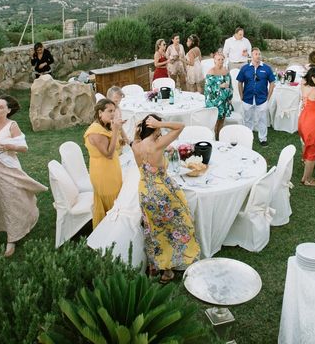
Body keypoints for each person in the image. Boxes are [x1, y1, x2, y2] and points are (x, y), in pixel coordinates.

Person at [0, 95, 47, 257]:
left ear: (8, 110)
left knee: (10, 201)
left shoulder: (12, 125)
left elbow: (23, 147)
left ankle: (12, 238)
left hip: (7, 170)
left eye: (1, 107)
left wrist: (6, 145)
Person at [132, 114, 200, 283]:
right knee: (177, 225)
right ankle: (173, 265)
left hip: (145, 192)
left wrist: (138, 132)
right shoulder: (157, 144)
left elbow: (137, 146)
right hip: (161, 190)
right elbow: (181, 125)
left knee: (154, 231)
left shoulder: (136, 145)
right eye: (159, 127)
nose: (161, 130)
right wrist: (160, 123)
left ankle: (161, 268)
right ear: (154, 127)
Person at [84, 99, 123, 228]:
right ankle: (109, 232)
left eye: (114, 111)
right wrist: (116, 130)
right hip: (103, 173)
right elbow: (108, 154)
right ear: (100, 112)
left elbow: (116, 145)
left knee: (117, 199)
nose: (113, 114)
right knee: (111, 202)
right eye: (109, 111)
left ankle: (116, 231)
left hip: (112, 170)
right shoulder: (95, 131)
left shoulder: (104, 127)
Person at [237, 48, 276, 147]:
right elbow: (240, 82)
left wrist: (268, 97)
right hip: (247, 98)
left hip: (262, 99)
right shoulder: (245, 68)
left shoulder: (266, 68)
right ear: (251, 56)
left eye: (259, 54)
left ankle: (263, 139)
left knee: (262, 119)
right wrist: (241, 95)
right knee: (247, 119)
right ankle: (247, 137)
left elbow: (272, 82)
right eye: (255, 54)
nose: (258, 56)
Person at [204, 52, 233, 139]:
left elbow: (230, 85)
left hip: (224, 100)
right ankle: (214, 138)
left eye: (222, 59)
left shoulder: (226, 71)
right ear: (214, 61)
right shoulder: (211, 72)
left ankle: (219, 137)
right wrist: (220, 86)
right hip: (214, 101)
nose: (220, 61)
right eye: (218, 59)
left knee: (222, 120)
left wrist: (230, 97)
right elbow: (207, 88)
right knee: (215, 122)